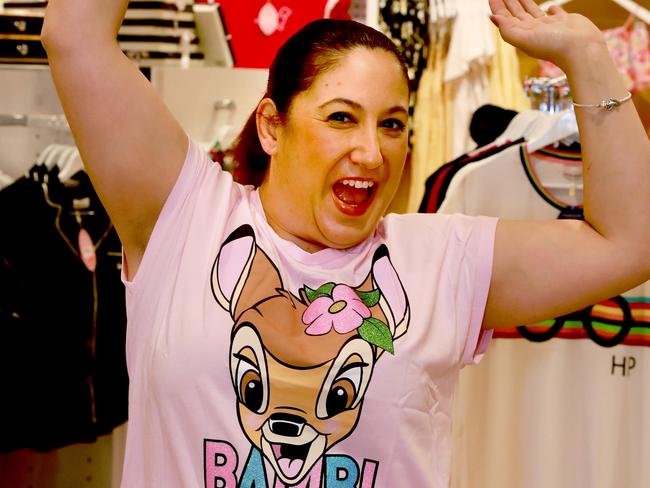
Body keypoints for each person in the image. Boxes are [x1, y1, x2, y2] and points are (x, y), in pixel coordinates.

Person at [41, 0, 650, 486]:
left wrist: (588, 56)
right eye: (340, 117)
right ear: (272, 126)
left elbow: (629, 243)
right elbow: (74, 32)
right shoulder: (185, 217)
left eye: (392, 123)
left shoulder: (442, 261)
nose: (372, 151)